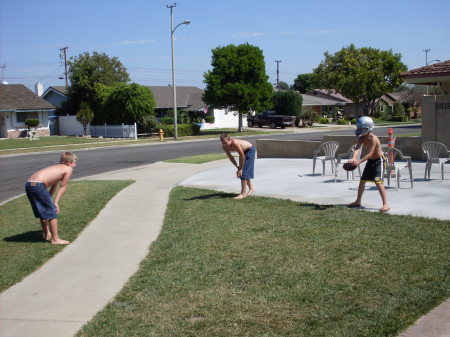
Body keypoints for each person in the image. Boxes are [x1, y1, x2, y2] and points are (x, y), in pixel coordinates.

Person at [25, 152, 78, 244]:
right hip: (38, 185)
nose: (75, 165)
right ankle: (55, 239)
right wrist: (56, 203)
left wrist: (50, 200)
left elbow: (54, 186)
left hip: (29, 184)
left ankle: (47, 235)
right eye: (74, 162)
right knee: (52, 211)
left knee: (43, 210)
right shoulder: (68, 169)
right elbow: (63, 186)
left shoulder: (56, 168)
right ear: (68, 162)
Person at [347, 117, 390, 212]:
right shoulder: (362, 138)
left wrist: (358, 162)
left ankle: (385, 204)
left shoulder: (373, 138)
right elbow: (357, 148)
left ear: (367, 128)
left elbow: (370, 154)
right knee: (362, 181)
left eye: (360, 128)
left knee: (378, 182)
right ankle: (358, 201)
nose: (359, 130)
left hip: (379, 161)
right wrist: (354, 158)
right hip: (370, 161)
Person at [220, 134, 256, 199]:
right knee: (242, 172)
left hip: (249, 150)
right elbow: (230, 157)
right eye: (223, 143)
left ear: (230, 140)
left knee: (243, 172)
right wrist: (237, 166)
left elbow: (242, 156)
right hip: (243, 152)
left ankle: (243, 193)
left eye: (226, 143)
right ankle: (251, 188)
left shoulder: (235, 143)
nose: (225, 144)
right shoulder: (224, 147)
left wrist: (240, 169)